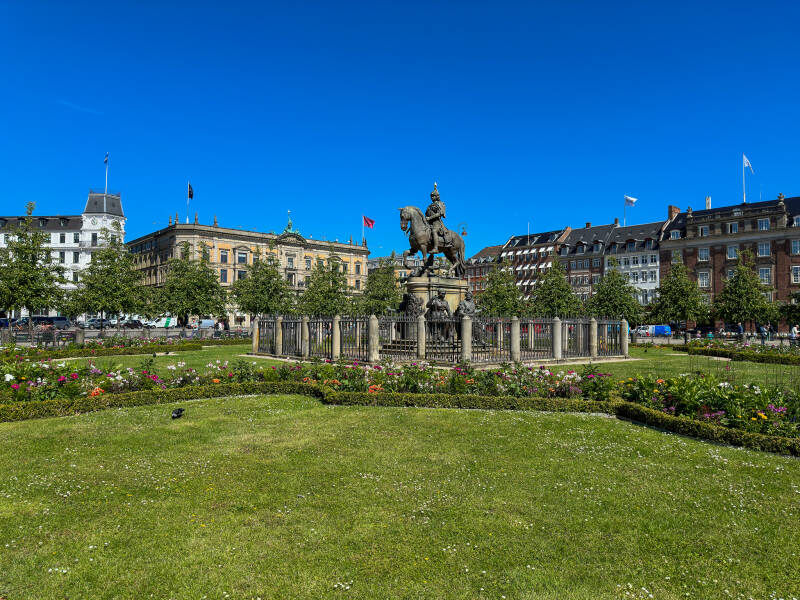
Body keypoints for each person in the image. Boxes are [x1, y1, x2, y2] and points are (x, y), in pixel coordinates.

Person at [425, 183, 447, 254]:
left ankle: (436, 248)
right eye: (431, 196)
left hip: (437, 223)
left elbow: (440, 213)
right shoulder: (429, 206)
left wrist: (429, 218)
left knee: (434, 231)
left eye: (433, 196)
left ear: (437, 196)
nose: (432, 198)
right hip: (429, 223)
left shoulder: (440, 203)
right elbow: (426, 215)